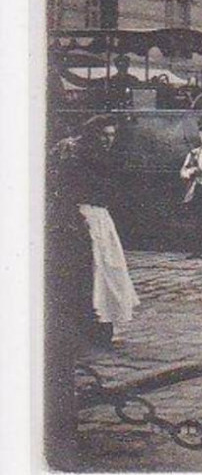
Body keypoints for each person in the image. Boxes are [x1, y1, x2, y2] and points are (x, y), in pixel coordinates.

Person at [47, 114, 137, 349]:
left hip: (99, 216)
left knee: (107, 268)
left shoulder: (94, 156)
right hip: (84, 215)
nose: (108, 140)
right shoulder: (77, 154)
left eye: (112, 135)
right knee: (94, 270)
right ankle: (94, 325)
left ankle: (102, 324)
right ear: (93, 134)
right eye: (104, 135)